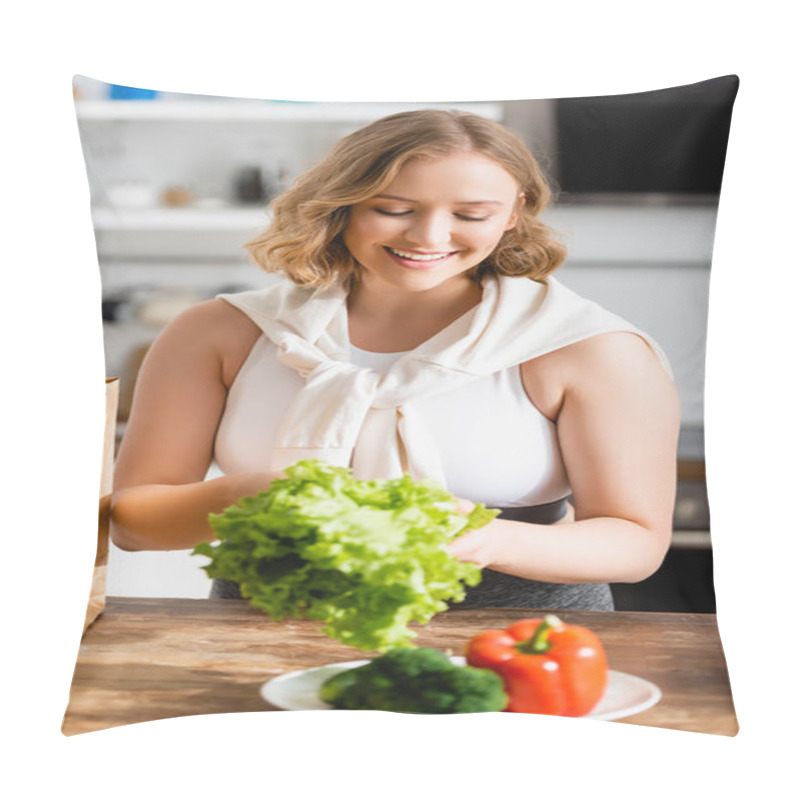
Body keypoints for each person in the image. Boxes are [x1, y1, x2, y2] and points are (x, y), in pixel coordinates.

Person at [110, 109, 680, 611]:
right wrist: (250, 499)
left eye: (472, 214)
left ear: (514, 213)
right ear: (341, 204)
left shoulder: (585, 346)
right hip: (258, 634)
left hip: (519, 643)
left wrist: (481, 539)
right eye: (393, 208)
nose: (430, 235)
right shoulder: (220, 331)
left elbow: (634, 542)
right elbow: (135, 521)